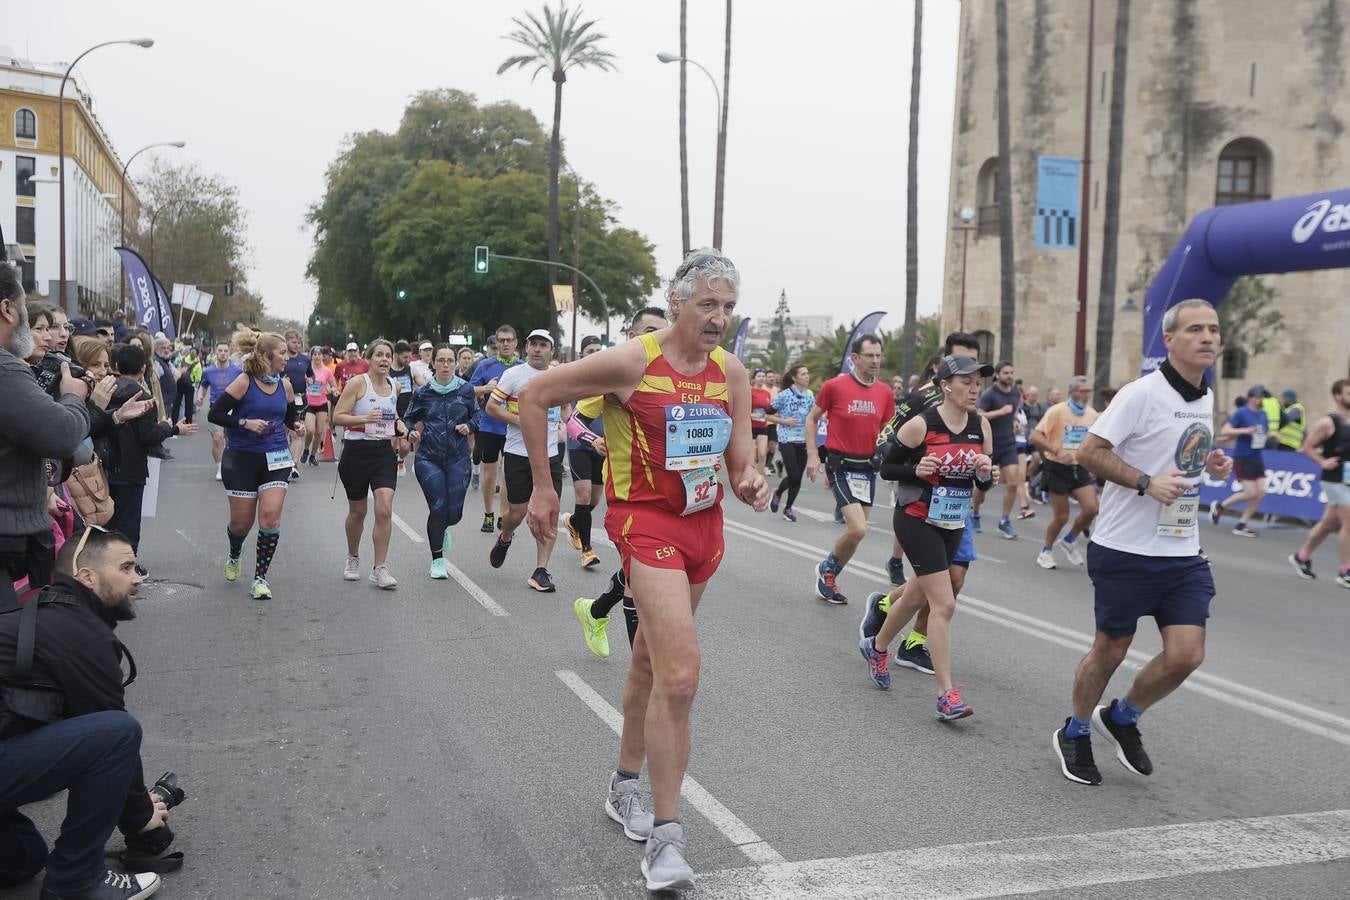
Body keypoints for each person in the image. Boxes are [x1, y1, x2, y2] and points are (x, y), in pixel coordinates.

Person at [518, 249, 766, 892]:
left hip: (704, 530)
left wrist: (752, 479)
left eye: (729, 308)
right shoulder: (634, 360)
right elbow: (537, 394)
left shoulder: (731, 373)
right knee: (681, 677)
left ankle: (623, 784)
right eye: (707, 304)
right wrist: (545, 490)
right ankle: (667, 839)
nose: (718, 318)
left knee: (651, 665)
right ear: (678, 300)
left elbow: (739, 465)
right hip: (644, 524)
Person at [1052, 298, 1232, 786]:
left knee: (1186, 655)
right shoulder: (1140, 394)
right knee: (1110, 651)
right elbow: (1091, 453)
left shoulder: (1204, 397)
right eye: (1196, 329)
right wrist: (1144, 482)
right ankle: (1076, 729)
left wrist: (1210, 462)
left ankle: (1124, 716)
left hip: (1181, 550)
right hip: (1125, 548)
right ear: (1169, 340)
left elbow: (1179, 451)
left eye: (1214, 329)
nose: (1208, 337)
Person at [0, 526, 170, 900]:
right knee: (118, 732)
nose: (138, 579)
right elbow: (109, 738)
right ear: (87, 577)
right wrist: (141, 816)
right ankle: (76, 883)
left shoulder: (47, 614)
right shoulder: (83, 636)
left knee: (23, 857)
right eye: (126, 568)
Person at [859, 354, 994, 720]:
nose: (974, 388)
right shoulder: (921, 425)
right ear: (945, 386)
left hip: (952, 521)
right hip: (916, 519)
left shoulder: (981, 427)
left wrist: (984, 473)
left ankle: (878, 645)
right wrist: (916, 469)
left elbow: (984, 483)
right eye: (966, 382)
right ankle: (946, 694)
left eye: (977, 382)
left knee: (914, 596)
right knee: (943, 604)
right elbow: (886, 467)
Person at [570, 308, 669, 659]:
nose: (659, 339)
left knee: (639, 574)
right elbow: (575, 421)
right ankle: (645, 674)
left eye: (663, 331)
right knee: (639, 585)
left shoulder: (674, 378)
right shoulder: (616, 373)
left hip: (669, 498)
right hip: (630, 495)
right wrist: (589, 441)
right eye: (651, 331)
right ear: (632, 336)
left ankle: (595, 611)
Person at [0, 262, 90, 599]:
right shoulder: (7, 371)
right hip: (9, 546)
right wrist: (73, 396)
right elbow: (61, 434)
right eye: (24, 305)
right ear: (7, 309)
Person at [206, 330, 303, 600]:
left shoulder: (285, 385)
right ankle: (235, 552)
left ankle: (260, 577)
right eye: (282, 353)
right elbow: (215, 413)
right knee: (241, 524)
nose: (287, 357)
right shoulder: (244, 382)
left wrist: (296, 425)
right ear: (266, 356)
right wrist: (244, 423)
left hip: (276, 457)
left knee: (270, 516)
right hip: (241, 459)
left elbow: (291, 416)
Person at [804, 334, 896, 604]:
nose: (875, 361)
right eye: (870, 355)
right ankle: (828, 570)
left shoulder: (885, 392)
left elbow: (887, 431)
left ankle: (828, 573)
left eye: (879, 355)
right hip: (840, 465)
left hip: (867, 469)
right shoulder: (834, 386)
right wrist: (812, 455)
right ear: (854, 358)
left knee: (857, 533)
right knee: (858, 529)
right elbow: (812, 419)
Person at [485, 329, 569, 592]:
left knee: (549, 513)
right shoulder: (514, 375)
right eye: (533, 344)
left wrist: (564, 422)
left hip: (550, 455)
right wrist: (521, 421)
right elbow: (491, 407)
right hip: (518, 453)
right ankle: (506, 536)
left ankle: (541, 570)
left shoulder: (558, 376)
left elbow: (566, 406)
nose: (537, 349)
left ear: (551, 351)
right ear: (527, 348)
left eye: (543, 345)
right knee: (518, 513)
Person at [106, 345, 195, 557]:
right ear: (143, 368)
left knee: (106, 521)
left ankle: (105, 564)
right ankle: (127, 564)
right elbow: (149, 436)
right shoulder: (144, 397)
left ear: (116, 365)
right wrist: (169, 427)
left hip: (104, 467)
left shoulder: (103, 391)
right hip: (131, 470)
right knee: (128, 522)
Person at [332, 339, 407, 589]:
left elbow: (392, 414)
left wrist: (400, 425)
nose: (385, 359)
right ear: (370, 358)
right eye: (379, 355)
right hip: (356, 452)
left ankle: (380, 568)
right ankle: (353, 557)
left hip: (383, 452)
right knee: (358, 512)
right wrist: (365, 418)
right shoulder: (357, 383)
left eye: (388, 355)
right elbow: (337, 416)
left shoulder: (394, 386)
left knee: (384, 509)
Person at [401, 344, 477, 580]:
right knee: (438, 508)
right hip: (428, 458)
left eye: (449, 361)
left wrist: (469, 426)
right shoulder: (423, 393)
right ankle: (437, 560)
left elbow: (478, 416)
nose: (445, 365)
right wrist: (411, 432)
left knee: (454, 514)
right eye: (441, 360)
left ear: (455, 364)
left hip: (458, 457)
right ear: (433, 363)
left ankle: (444, 525)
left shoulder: (466, 390)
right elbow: (408, 419)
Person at [1030, 375, 1100, 569]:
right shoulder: (1057, 411)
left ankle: (1069, 540)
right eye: (1083, 391)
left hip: (1080, 467)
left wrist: (1093, 463)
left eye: (1089, 391)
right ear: (1072, 391)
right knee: (1062, 516)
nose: (1086, 395)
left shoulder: (1092, 414)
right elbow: (1035, 435)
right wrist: (1057, 450)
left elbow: (1094, 442)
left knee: (1093, 508)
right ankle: (1046, 551)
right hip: (1057, 467)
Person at [1289, 379, 1350, 586]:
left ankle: (1302, 556)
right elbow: (1307, 446)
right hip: (1334, 480)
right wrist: (1323, 462)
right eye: (1348, 393)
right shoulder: (1328, 422)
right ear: (1337, 396)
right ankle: (1346, 571)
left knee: (1328, 524)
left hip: (1348, 479)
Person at [469, 326, 521, 532]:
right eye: (502, 340)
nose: (506, 344)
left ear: (516, 343)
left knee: (508, 474)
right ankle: (489, 514)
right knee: (489, 473)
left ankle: (503, 516)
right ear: (496, 344)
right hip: (489, 427)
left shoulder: (522, 367)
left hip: (513, 429)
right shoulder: (485, 365)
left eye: (509, 340)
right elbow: (468, 390)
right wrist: (485, 389)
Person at [563, 335, 607, 569]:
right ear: (582, 355)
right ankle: (587, 551)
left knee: (594, 499)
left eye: (599, 349)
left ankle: (573, 520)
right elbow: (565, 408)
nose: (595, 353)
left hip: (603, 446)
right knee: (583, 495)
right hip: (579, 444)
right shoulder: (575, 377)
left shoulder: (612, 377)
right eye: (590, 350)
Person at [1209, 385, 1269, 537]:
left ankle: (1242, 523)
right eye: (1258, 397)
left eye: (1262, 397)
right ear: (1250, 398)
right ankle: (1221, 506)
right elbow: (1225, 430)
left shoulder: (1263, 414)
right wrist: (1244, 431)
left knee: (1261, 492)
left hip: (1257, 456)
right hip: (1243, 457)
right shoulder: (1241, 413)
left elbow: (1262, 433)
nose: (1260, 400)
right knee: (1251, 492)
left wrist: (1266, 436)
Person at [974, 361, 1025, 539]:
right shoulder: (990, 394)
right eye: (1006, 373)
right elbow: (979, 415)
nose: (1009, 376)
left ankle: (1004, 521)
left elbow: (1013, 413)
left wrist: (1015, 422)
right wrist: (1000, 412)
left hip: (1009, 443)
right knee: (982, 486)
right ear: (997, 375)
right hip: (990, 444)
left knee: (1013, 482)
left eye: (1011, 372)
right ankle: (975, 514)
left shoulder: (1015, 393)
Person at [768, 364, 815, 522]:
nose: (807, 376)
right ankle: (778, 493)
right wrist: (784, 420)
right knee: (794, 475)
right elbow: (767, 415)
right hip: (786, 438)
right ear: (795, 377)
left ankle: (788, 508)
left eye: (807, 373)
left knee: (797, 479)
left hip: (802, 440)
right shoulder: (784, 395)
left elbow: (812, 418)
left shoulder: (810, 395)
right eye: (803, 374)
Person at [195, 342, 242, 481]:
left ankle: (232, 464)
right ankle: (220, 467)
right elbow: (203, 386)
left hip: (233, 408)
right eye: (220, 350)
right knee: (217, 438)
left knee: (231, 439)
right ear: (215, 352)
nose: (223, 353)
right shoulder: (208, 371)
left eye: (225, 351)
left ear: (229, 353)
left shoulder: (237, 371)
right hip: (216, 408)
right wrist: (200, 397)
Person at [281, 330, 313, 481]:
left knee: (296, 432)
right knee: (282, 432)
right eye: (294, 342)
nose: (297, 345)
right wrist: (281, 379)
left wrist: (311, 379)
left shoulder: (305, 359)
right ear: (286, 342)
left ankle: (294, 465)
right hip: (281, 398)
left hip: (299, 398)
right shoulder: (282, 358)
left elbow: (311, 373)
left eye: (299, 342)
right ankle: (283, 462)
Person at [301, 346, 336, 468]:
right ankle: (306, 449)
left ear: (322, 356)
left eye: (319, 354)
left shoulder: (326, 371)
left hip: (321, 404)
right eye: (314, 354)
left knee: (319, 432)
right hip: (309, 404)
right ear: (311, 356)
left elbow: (333, 385)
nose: (316, 356)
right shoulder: (306, 369)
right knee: (310, 430)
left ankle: (312, 455)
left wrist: (333, 389)